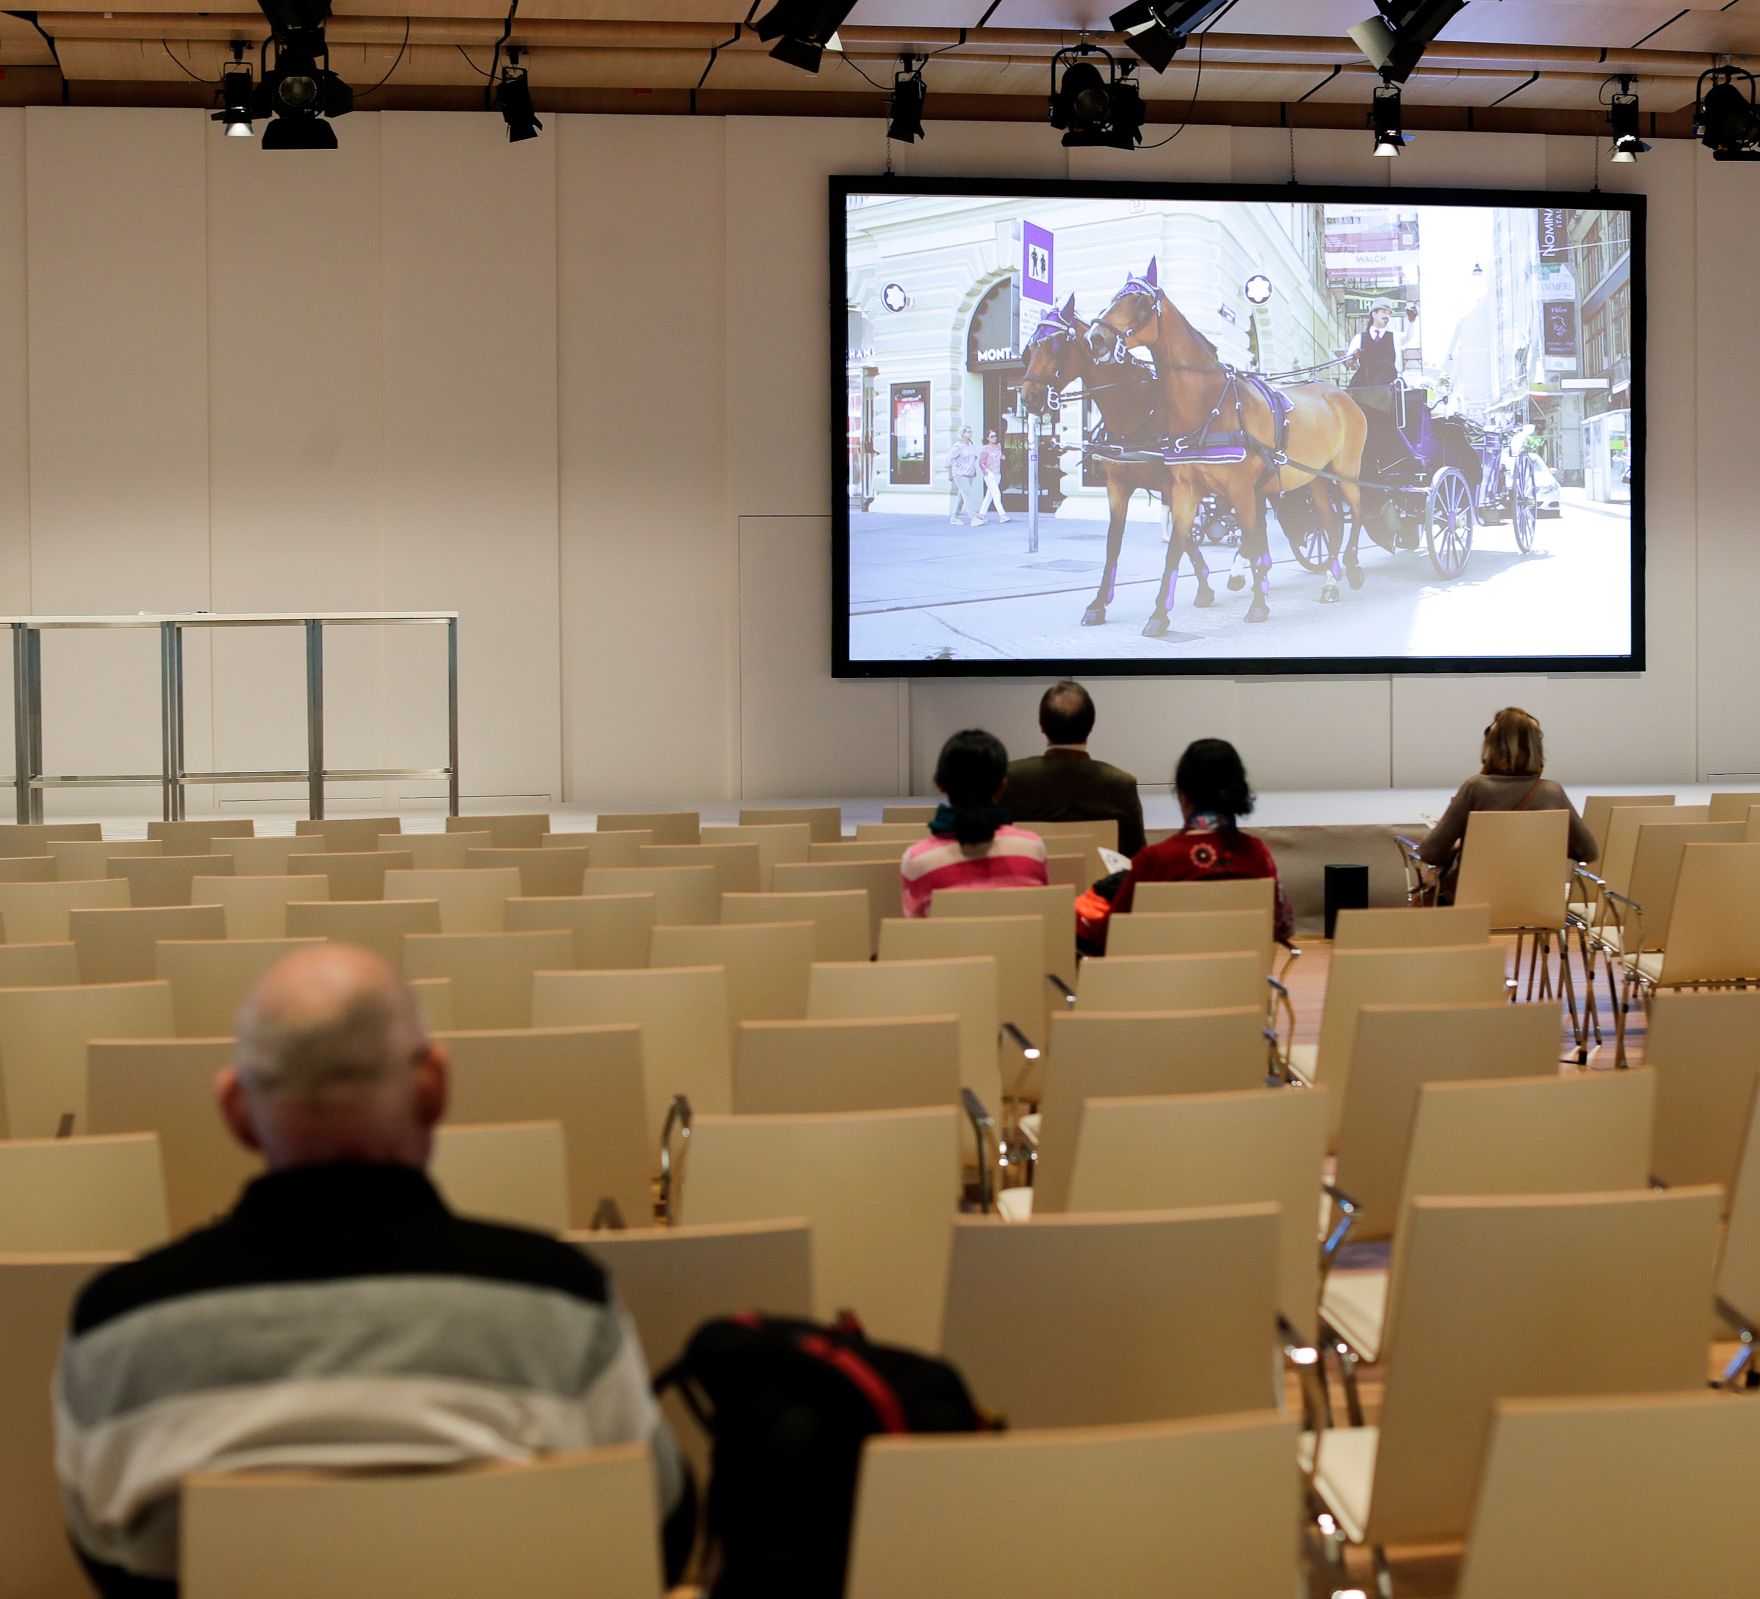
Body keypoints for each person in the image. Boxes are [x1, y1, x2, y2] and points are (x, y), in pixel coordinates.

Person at [55, 944, 693, 1597]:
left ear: (236, 1111)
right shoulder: (564, 1303)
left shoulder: (116, 1327)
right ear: (434, 1087)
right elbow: (657, 1536)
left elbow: (103, 1555)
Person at [1110, 737, 1294, 944]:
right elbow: (1283, 927)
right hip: (1242, 965)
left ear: (1184, 797)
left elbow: (1114, 934)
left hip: (1169, 964)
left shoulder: (1154, 860)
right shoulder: (1257, 854)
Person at [1417, 707, 1597, 899]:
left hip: (1477, 901)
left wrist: (1462, 847)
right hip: (1536, 901)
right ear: (1536, 747)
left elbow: (1429, 853)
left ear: (1491, 745)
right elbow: (1588, 852)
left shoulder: (1475, 788)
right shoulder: (1553, 792)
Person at [901, 728, 1049, 917]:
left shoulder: (917, 860)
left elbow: (916, 929)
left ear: (940, 784)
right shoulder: (1033, 848)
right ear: (1002, 787)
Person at [1005, 680, 1147, 859]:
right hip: (1104, 877)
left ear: (1042, 725)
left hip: (1032, 876)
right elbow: (1138, 857)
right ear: (1091, 725)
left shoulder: (1011, 778)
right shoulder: (1121, 785)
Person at [1346, 298, 1403, 393]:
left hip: (1388, 390)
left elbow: (1408, 338)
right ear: (1374, 314)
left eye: (1389, 313)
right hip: (1366, 389)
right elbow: (1348, 362)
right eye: (1384, 312)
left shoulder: (1394, 337)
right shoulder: (1359, 338)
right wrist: (1353, 357)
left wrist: (1411, 322)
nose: (1387, 316)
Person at [946, 425, 982, 526]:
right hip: (960, 474)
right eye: (968, 432)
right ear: (962, 433)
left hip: (969, 474)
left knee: (961, 496)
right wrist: (950, 473)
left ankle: (954, 517)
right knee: (968, 494)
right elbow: (949, 460)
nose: (970, 434)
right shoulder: (957, 446)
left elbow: (972, 459)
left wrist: (974, 470)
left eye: (971, 432)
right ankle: (973, 518)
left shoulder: (970, 445)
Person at [977, 428, 1010, 523]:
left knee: (990, 494)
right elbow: (981, 462)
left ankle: (982, 514)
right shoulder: (985, 448)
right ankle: (1002, 515)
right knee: (996, 493)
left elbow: (998, 456)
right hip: (989, 473)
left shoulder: (998, 446)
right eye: (992, 436)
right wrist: (986, 471)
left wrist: (1002, 457)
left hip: (997, 473)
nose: (994, 438)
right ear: (987, 438)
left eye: (995, 436)